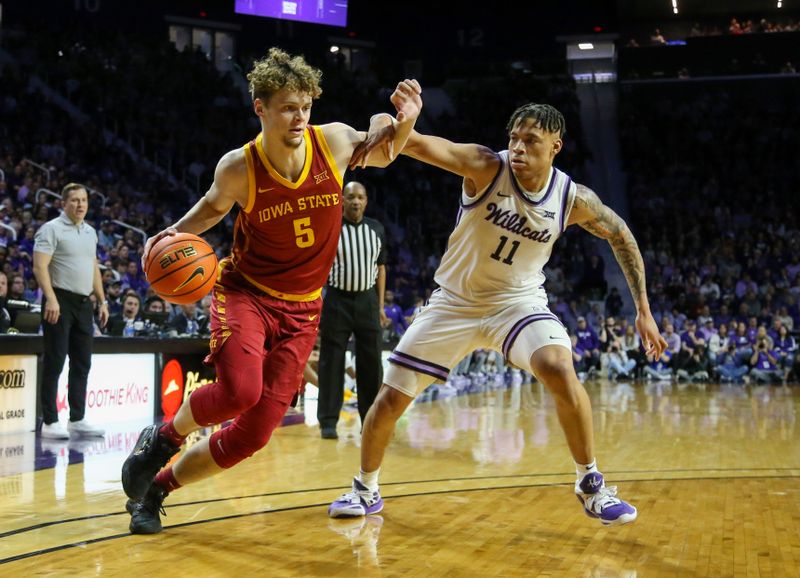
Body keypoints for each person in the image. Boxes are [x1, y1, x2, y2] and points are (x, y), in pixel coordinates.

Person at [120, 47, 422, 534]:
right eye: (287, 106)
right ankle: (163, 435)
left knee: (254, 435)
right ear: (259, 107)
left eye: (305, 105)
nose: (299, 116)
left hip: (304, 310)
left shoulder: (336, 141)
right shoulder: (239, 166)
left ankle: (157, 489)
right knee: (240, 390)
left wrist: (403, 119)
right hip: (247, 293)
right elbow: (213, 207)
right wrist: (169, 232)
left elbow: (385, 149)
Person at [329, 103, 667, 526]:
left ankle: (590, 482)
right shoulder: (486, 166)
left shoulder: (571, 198)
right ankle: (366, 488)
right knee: (391, 398)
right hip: (455, 302)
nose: (519, 148)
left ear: (555, 147)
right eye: (514, 138)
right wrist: (384, 121)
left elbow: (620, 234)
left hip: (517, 303)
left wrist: (644, 310)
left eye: (531, 141)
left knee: (559, 366)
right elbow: (410, 142)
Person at [33, 182, 109, 439]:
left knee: (82, 362)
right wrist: (51, 299)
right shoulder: (50, 229)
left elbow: (93, 266)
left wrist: (102, 300)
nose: (80, 205)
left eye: (84, 200)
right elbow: (39, 267)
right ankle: (50, 421)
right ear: (63, 203)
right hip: (59, 300)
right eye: (75, 200)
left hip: (83, 303)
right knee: (55, 361)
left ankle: (77, 419)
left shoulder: (90, 232)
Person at [317, 181, 388, 439]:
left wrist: (380, 306)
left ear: (366, 201)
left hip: (367, 301)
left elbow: (381, 268)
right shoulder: (331, 228)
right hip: (337, 300)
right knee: (331, 362)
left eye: (360, 197)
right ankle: (327, 421)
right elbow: (319, 268)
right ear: (342, 200)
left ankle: (369, 420)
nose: (355, 201)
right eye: (350, 197)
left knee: (371, 364)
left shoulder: (377, 229)